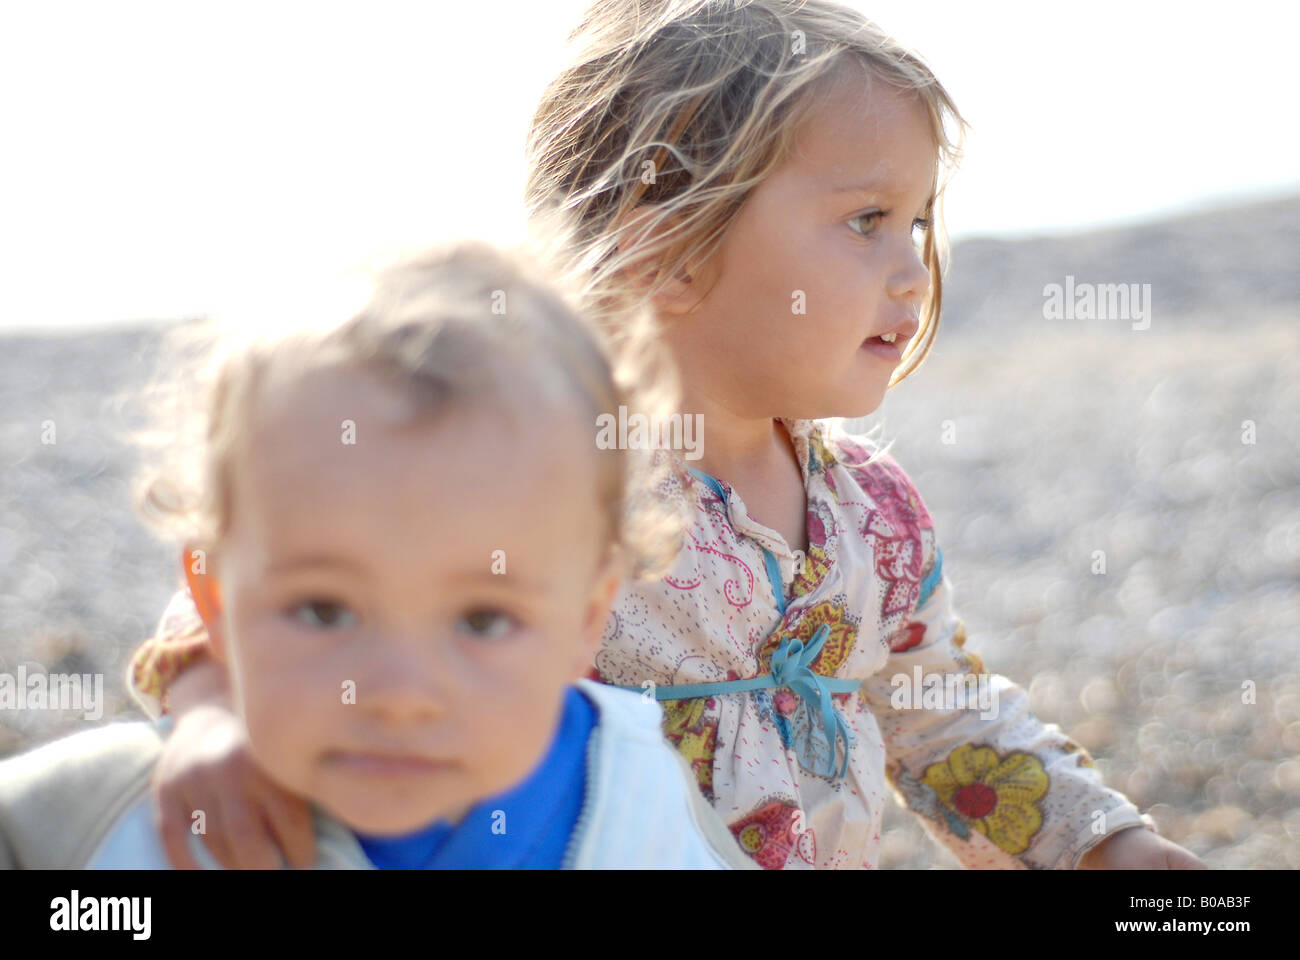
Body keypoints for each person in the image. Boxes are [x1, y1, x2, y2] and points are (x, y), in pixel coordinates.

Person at [121, 0, 1206, 870]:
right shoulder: (546, 472)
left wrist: (1110, 846)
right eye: (866, 219)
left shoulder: (873, 516)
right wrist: (212, 717)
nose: (913, 268)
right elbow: (277, 574)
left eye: (919, 221)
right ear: (668, 249)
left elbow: (946, 723)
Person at [0, 240, 756, 870]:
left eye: (485, 620)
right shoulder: (117, 825)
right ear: (214, 602)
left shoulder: (636, 799)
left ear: (585, 621)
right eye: (324, 610)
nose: (399, 693)